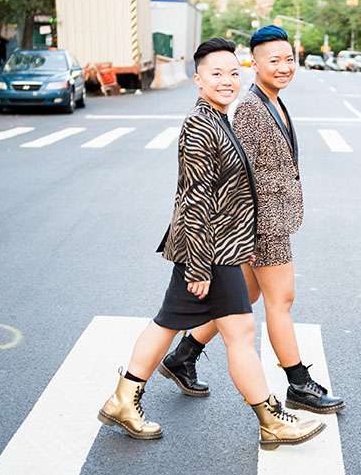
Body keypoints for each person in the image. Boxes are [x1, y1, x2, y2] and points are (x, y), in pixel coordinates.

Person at [97, 37, 325, 449]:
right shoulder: (201, 125)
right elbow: (195, 199)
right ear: (198, 79)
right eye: (216, 74)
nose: (227, 81)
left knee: (168, 324)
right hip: (211, 251)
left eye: (233, 74)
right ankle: (270, 420)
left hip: (220, 247)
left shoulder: (218, 118)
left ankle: (123, 399)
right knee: (239, 333)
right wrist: (200, 266)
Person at [160, 26, 345, 414]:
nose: (284, 67)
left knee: (243, 298)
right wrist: (244, 232)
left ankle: (182, 356)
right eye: (273, 60)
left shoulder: (273, 101)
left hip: (270, 220)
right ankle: (298, 383)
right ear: (255, 64)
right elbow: (233, 174)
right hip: (263, 226)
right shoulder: (249, 109)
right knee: (281, 300)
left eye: (289, 59)